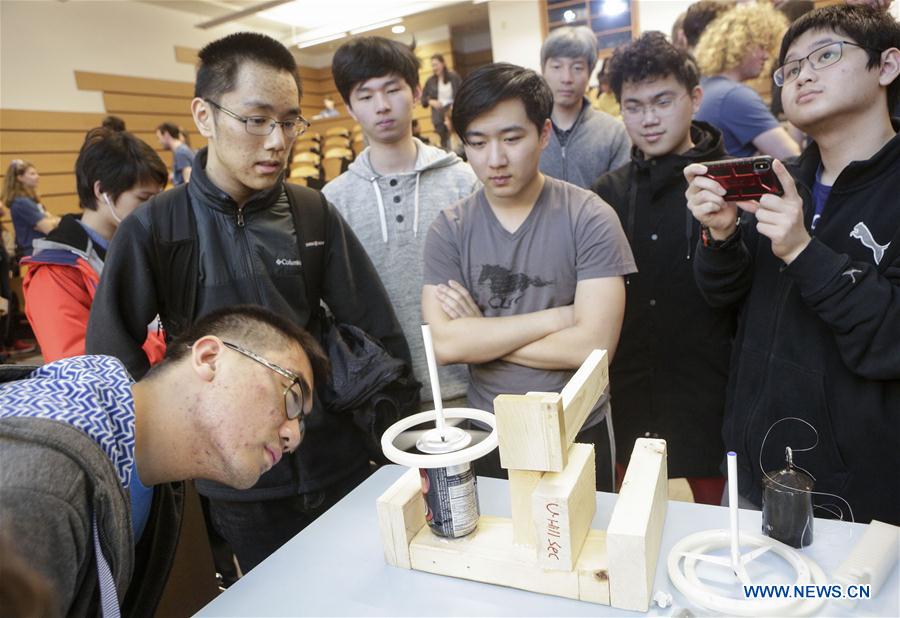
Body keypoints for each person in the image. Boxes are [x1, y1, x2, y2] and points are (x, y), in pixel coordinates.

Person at [85, 31, 413, 572]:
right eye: (256, 119)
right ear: (205, 115)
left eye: (289, 121)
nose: (277, 141)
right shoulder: (157, 228)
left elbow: (377, 331)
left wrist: (396, 439)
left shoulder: (312, 214)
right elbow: (110, 361)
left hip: (340, 463)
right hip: (241, 490)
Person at [684, 4, 900, 524]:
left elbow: (891, 339)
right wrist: (720, 236)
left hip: (858, 493)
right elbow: (725, 298)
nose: (802, 74)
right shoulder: (784, 181)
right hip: (752, 465)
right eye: (789, 69)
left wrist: (804, 250)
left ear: (887, 66)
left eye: (826, 55)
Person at [1, 305, 327, 616]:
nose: (293, 437)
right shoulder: (46, 484)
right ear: (210, 358)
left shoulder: (155, 477)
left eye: (301, 423)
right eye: (292, 396)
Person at [423, 63, 636, 490]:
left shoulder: (590, 216)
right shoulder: (449, 229)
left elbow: (593, 347)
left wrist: (481, 337)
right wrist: (558, 318)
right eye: (478, 143)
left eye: (512, 138)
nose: (495, 159)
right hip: (489, 428)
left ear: (543, 134)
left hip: (577, 426)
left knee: (587, 552)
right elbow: (444, 344)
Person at [592, 32, 736, 505]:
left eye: (662, 101)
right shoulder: (607, 194)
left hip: (710, 410)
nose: (648, 119)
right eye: (633, 106)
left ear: (694, 97)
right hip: (628, 406)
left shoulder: (733, 183)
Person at [326, 36, 478, 408]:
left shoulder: (464, 181)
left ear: (414, 93)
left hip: (470, 389)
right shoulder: (332, 201)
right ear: (349, 107)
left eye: (392, 90)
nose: (381, 106)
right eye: (365, 96)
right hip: (381, 398)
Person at [21, 128, 167, 363]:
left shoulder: (141, 248)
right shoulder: (56, 271)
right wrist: (164, 344)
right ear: (102, 191)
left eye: (157, 199)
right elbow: (77, 366)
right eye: (143, 199)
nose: (154, 211)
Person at [694, 3, 801, 159]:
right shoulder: (734, 96)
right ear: (739, 44)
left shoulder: (706, 86)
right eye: (762, 46)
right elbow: (792, 158)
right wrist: (797, 115)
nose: (767, 56)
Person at [538, 26, 631, 189]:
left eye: (577, 68)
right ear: (543, 70)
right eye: (556, 67)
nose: (566, 78)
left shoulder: (614, 134)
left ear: (590, 72)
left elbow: (622, 198)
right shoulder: (529, 133)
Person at [2, 159, 60, 257]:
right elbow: (48, 228)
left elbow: (48, 220)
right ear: (20, 177)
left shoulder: (30, 200)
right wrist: (56, 221)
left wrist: (51, 221)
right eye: (32, 174)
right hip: (33, 252)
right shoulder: (21, 202)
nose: (38, 177)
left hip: (40, 249)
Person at [422, 53, 462, 149]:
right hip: (438, 115)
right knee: (443, 141)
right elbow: (423, 99)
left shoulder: (454, 77)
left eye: (436, 64)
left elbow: (462, 92)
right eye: (432, 65)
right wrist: (431, 101)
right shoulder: (430, 81)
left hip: (453, 112)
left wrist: (455, 104)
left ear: (443, 63)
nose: (434, 67)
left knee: (457, 137)